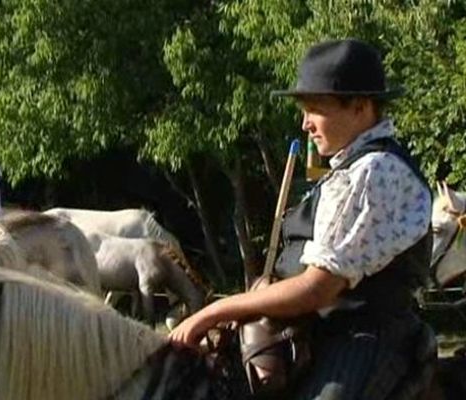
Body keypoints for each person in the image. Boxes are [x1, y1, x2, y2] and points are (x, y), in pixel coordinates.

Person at [170, 39, 433, 399]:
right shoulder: (348, 169)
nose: (305, 123)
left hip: (365, 339)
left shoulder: (376, 171)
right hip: (317, 332)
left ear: (359, 107)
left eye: (314, 109)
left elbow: (317, 288)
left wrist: (213, 311)